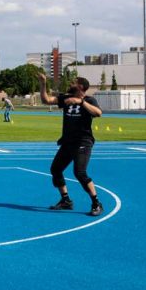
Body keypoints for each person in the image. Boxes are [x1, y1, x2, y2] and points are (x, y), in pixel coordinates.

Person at [37, 72, 104, 216]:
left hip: (83, 142)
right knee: (56, 169)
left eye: (73, 81)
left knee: (79, 173)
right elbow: (46, 100)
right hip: (67, 142)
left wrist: (81, 102)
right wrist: (43, 84)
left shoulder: (90, 100)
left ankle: (96, 203)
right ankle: (66, 200)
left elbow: (99, 113)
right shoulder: (65, 98)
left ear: (80, 86)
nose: (70, 83)